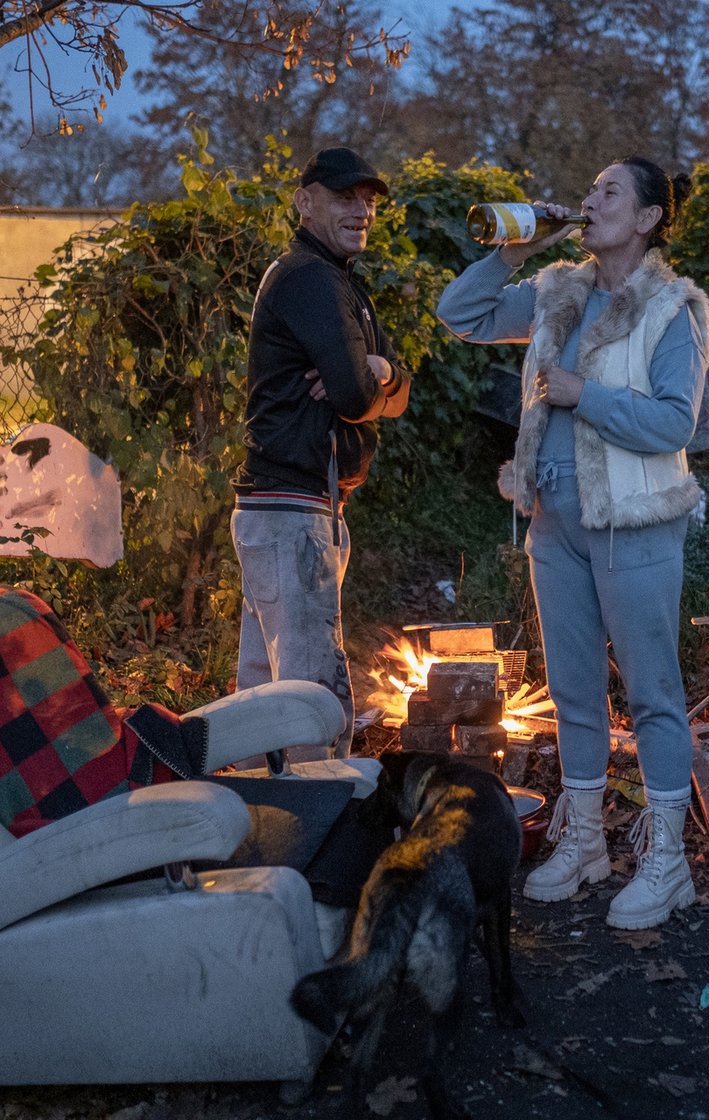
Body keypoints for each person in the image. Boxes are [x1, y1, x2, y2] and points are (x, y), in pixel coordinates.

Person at [436, 157, 709, 930]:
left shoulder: (674, 309)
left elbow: (674, 423)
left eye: (608, 191)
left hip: (634, 522)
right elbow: (460, 313)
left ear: (648, 218)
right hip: (553, 524)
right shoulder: (557, 290)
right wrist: (513, 251)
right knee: (574, 693)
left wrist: (583, 394)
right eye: (588, 189)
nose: (590, 200)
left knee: (653, 696)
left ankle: (668, 863)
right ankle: (587, 844)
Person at [232, 146, 410, 758]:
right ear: (304, 202)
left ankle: (253, 803)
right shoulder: (309, 279)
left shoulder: (340, 282)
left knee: (266, 695)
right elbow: (358, 399)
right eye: (344, 197)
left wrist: (379, 370)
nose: (361, 211)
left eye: (368, 200)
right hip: (291, 512)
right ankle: (318, 807)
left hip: (294, 510)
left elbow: (394, 392)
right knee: (312, 696)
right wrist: (368, 383)